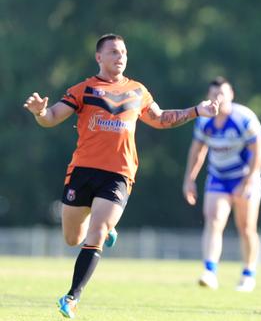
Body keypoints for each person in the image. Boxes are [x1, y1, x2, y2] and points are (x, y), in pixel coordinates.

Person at [22, 34, 219, 319]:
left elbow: (161, 118)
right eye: (113, 52)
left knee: (97, 234)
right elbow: (51, 117)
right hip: (82, 171)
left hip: (119, 173)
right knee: (71, 237)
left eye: (123, 52)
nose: (120, 57)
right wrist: (39, 112)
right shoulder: (84, 89)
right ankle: (102, 223)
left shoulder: (138, 91)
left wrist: (197, 111)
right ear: (99, 57)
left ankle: (71, 297)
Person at [182, 77, 261, 292]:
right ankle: (209, 271)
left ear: (231, 95)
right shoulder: (204, 120)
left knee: (246, 227)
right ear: (208, 97)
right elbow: (197, 151)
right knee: (214, 219)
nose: (218, 99)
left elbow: (259, 151)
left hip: (245, 176)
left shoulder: (244, 118)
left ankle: (248, 274)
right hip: (218, 177)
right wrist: (189, 179)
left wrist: (249, 180)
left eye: (222, 94)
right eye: (213, 95)